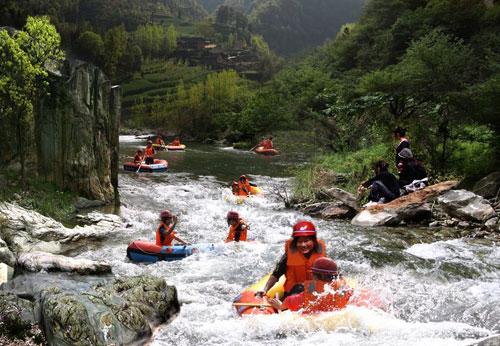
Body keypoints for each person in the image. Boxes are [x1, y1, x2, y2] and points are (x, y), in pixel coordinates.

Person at [256, 220, 327, 299]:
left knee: (304, 288)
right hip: (292, 294)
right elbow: (276, 274)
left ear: (313, 241)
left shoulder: (321, 257)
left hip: (313, 292)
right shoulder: (288, 256)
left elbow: (331, 277)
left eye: (306, 241)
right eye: (299, 242)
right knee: (299, 287)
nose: (303, 245)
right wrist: (265, 290)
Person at [268, 257, 353, 313]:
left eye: (313, 273)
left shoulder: (311, 290)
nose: (312, 275)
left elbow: (290, 302)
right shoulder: (343, 289)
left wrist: (281, 306)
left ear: (318, 275)